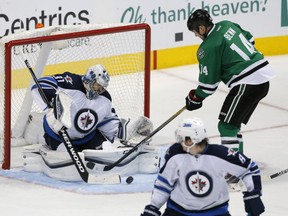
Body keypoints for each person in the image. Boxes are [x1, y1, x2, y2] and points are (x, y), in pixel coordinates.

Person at [185, 9, 275, 153]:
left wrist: (195, 97)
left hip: (248, 82)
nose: (196, 35)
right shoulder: (227, 24)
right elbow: (250, 39)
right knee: (233, 124)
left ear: (201, 28)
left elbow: (208, 85)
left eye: (194, 31)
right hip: (263, 79)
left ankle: (232, 167)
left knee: (226, 126)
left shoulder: (208, 47)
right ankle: (239, 162)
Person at [141, 117, 265, 216]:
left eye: (182, 138)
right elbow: (164, 183)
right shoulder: (175, 153)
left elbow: (249, 169)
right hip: (178, 211)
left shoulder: (221, 155)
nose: (180, 142)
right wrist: (154, 207)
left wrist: (254, 193)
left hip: (215, 213)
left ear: (191, 140)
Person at [31, 64, 125, 152]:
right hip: (58, 137)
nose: (100, 90)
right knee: (66, 159)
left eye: (102, 87)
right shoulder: (70, 81)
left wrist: (122, 135)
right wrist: (52, 105)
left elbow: (109, 120)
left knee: (105, 154)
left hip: (88, 138)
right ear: (90, 80)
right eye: (98, 86)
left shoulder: (105, 99)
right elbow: (40, 85)